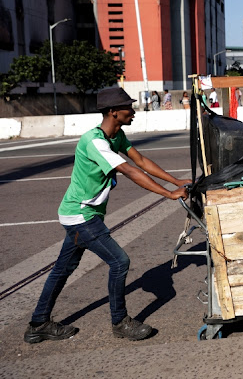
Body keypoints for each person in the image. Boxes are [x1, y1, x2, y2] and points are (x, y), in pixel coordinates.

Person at [24, 87, 191, 344]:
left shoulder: (117, 135)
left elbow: (141, 162)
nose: (133, 111)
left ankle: (38, 324)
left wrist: (174, 180)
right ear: (113, 112)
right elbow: (130, 171)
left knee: (61, 270)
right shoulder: (95, 142)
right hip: (82, 215)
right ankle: (120, 321)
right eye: (128, 107)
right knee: (119, 262)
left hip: (78, 214)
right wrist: (168, 194)